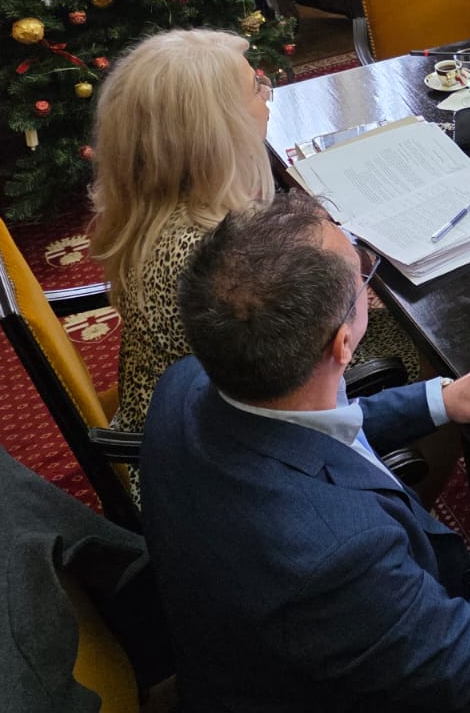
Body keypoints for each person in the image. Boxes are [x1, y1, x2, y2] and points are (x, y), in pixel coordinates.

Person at [140, 190, 470, 713]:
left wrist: (440, 400)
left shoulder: (184, 386)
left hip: (257, 648)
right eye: (363, 277)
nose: (367, 278)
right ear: (344, 344)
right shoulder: (337, 555)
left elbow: (314, 427)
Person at [89, 29, 419, 507]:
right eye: (255, 87)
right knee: (427, 350)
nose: (268, 95)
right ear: (215, 130)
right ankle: (406, 509)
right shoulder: (219, 257)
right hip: (215, 466)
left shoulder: (155, 205)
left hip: (180, 417)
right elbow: (302, 362)